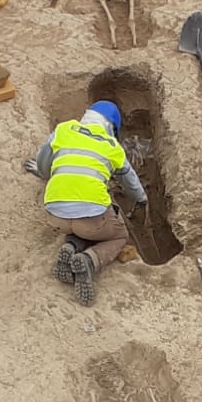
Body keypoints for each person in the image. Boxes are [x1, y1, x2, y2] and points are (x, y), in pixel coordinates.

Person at [33, 100, 145, 305]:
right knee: (118, 236)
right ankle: (90, 260)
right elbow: (131, 182)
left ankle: (71, 246)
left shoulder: (63, 129)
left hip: (56, 215)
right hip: (92, 219)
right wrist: (141, 200)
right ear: (111, 127)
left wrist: (51, 173)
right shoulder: (112, 146)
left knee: (79, 223)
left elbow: (42, 164)